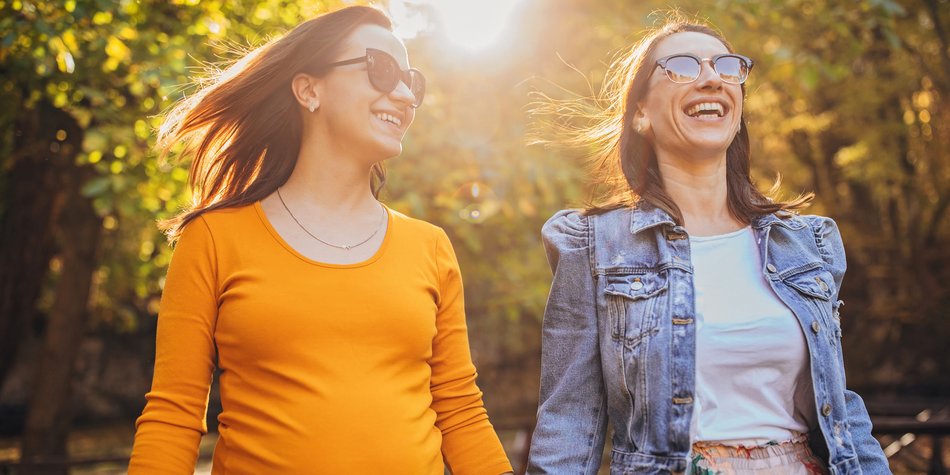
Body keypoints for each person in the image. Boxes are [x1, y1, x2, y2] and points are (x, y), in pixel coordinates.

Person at [128, 6, 513, 474]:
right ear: (309, 89)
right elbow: (174, 415)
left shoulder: (429, 247)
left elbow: (460, 411)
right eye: (381, 69)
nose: (405, 94)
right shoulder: (213, 238)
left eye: (412, 80)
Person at [526, 18, 891, 475]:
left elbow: (842, 411)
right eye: (681, 66)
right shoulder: (595, 246)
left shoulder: (805, 243)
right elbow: (569, 420)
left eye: (726, 66)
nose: (712, 77)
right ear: (641, 113)